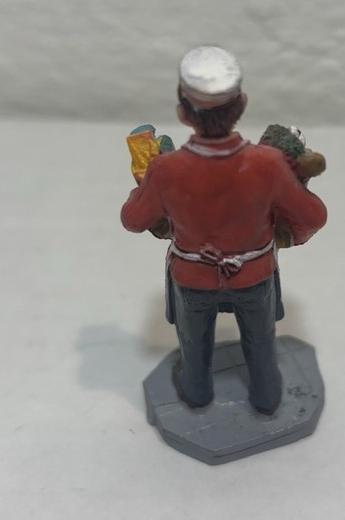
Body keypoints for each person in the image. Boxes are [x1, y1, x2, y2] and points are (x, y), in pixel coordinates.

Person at [120, 47, 327, 415]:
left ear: (183, 111)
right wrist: (286, 235)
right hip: (254, 273)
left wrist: (145, 186)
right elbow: (313, 215)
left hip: (192, 276)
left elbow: (133, 219)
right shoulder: (269, 163)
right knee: (261, 342)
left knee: (193, 343)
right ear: (241, 104)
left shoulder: (165, 169)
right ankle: (266, 396)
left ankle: (196, 392)